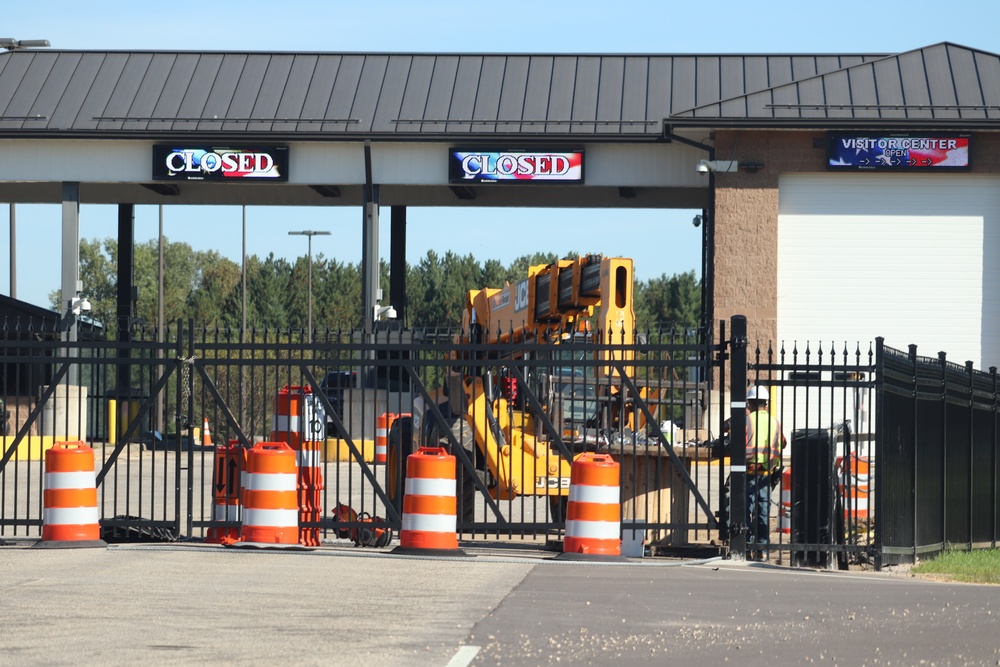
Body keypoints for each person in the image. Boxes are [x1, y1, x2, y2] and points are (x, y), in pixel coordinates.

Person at [744, 385, 786, 559]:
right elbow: (783, 443)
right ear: (766, 404)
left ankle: (746, 546)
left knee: (746, 509)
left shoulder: (747, 420)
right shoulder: (774, 422)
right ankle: (762, 548)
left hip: (748, 470)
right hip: (766, 473)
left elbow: (737, 443)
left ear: (750, 404)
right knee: (763, 511)